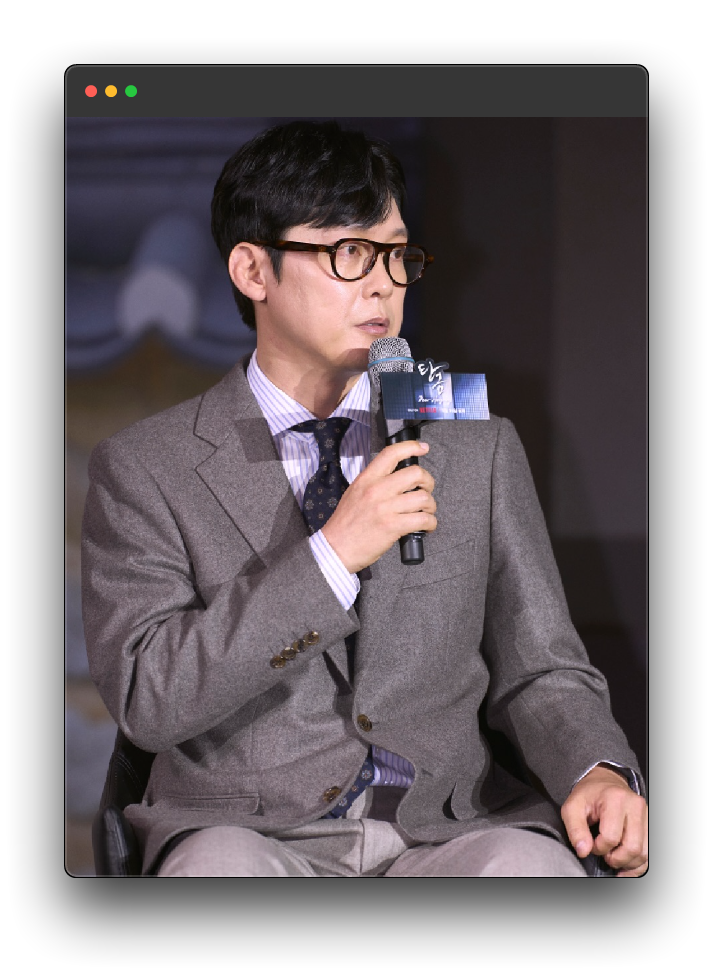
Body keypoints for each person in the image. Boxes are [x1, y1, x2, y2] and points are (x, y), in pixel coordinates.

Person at [81, 119, 648, 877]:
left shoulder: (470, 440)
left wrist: (595, 768)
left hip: (446, 830)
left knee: (531, 873)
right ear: (253, 270)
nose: (383, 284)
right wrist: (331, 555)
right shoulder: (147, 465)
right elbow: (149, 699)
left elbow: (541, 667)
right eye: (349, 253)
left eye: (396, 255)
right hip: (246, 832)